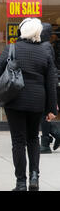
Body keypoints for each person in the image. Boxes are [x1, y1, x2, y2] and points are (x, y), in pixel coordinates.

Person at [0, 18, 58, 191]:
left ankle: (21, 183)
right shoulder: (45, 52)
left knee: (18, 142)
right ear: (37, 32)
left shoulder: (11, 49)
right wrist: (51, 109)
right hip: (37, 102)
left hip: (14, 101)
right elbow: (51, 83)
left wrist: (1, 90)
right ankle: (35, 177)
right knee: (33, 139)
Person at [39, 22, 60, 153]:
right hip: (46, 83)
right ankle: (52, 135)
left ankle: (47, 141)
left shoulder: (46, 46)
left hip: (45, 83)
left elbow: (48, 67)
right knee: (44, 113)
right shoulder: (47, 46)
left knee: (44, 113)